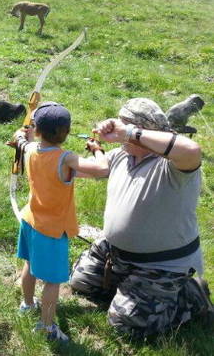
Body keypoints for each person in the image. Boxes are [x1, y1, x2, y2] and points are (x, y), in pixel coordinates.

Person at [69, 98, 213, 337]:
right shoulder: (121, 156)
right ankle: (136, 291)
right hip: (115, 253)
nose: (118, 132)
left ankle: (190, 296)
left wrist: (129, 132)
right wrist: (38, 155)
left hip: (161, 265)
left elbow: (192, 150)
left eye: (125, 127)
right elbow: (78, 169)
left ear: (143, 132)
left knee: (125, 325)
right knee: (81, 282)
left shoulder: (173, 166)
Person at [11, 102, 109, 342]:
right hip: (51, 230)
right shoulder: (66, 158)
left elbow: (25, 141)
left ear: (38, 130)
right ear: (66, 132)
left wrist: (22, 135)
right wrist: (97, 150)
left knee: (30, 265)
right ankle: (45, 327)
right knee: (53, 282)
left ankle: (27, 304)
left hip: (30, 219)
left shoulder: (31, 148)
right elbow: (102, 170)